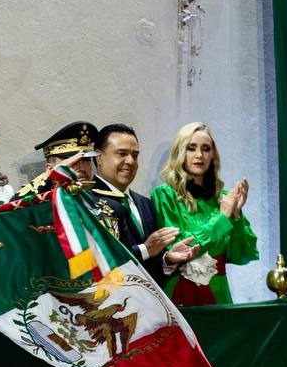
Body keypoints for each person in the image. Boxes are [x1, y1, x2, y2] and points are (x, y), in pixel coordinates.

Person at [151, 122, 259, 304]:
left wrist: (237, 215)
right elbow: (183, 246)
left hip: (219, 293)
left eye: (206, 149)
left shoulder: (223, 199)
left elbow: (243, 256)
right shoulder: (165, 194)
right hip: (181, 291)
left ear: (213, 156)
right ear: (180, 153)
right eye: (191, 148)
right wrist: (223, 218)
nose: (199, 155)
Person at [91, 123, 198, 286]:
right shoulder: (86, 200)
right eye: (122, 154)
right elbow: (97, 260)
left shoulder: (145, 204)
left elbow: (151, 266)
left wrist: (167, 260)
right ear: (99, 158)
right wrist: (145, 249)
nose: (130, 161)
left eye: (135, 155)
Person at [20, 121, 100, 198]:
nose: (82, 168)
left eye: (86, 160)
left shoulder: (102, 200)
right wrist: (53, 177)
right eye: (71, 160)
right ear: (50, 169)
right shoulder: (38, 205)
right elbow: (13, 206)